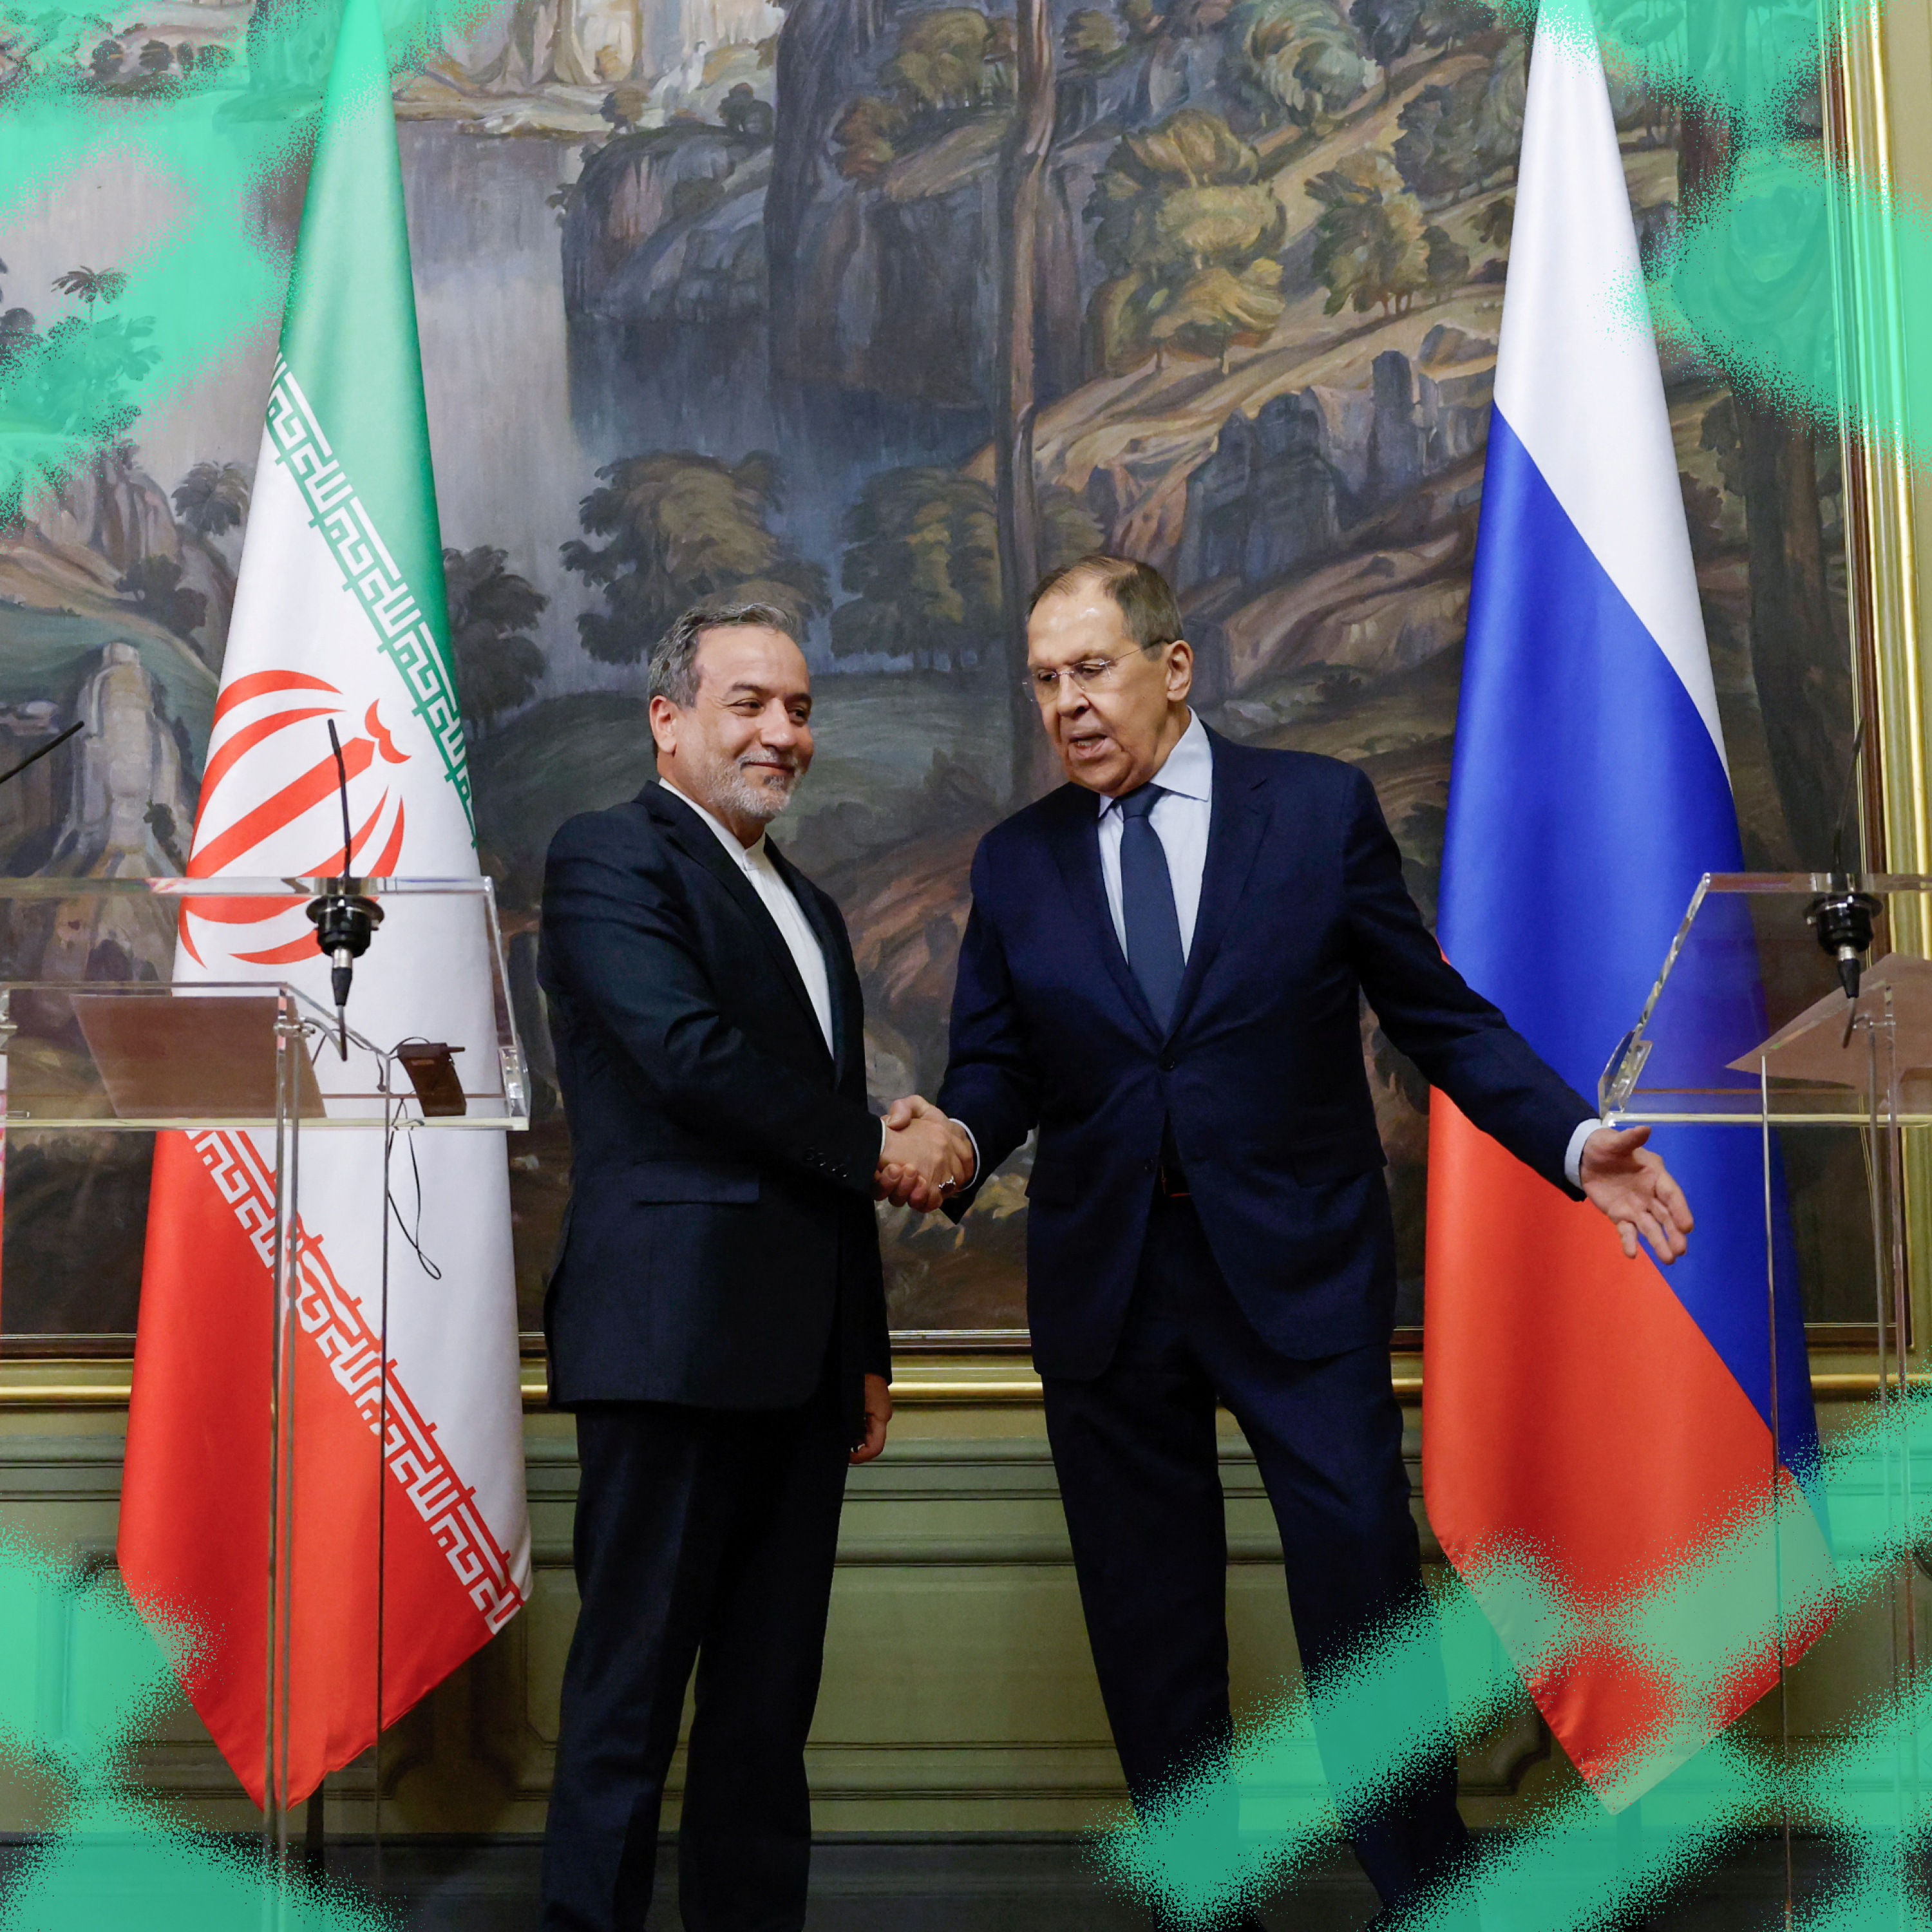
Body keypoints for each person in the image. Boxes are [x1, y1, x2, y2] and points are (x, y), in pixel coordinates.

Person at [880, 556, 1691, 1924]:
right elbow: (999, 1066)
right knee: (1153, 1635)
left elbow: (1436, 1015)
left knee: (1364, 1610)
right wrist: (957, 1141)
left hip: (1296, 1282)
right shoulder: (1017, 862)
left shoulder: (1313, 813)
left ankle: (1424, 1890)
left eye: (1094, 671)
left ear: (1174, 666)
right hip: (1111, 1295)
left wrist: (1568, 1140)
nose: (1069, 706)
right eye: (1046, 681)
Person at [536, 603, 963, 1932]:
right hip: (668, 1349)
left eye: (799, 708)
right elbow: (686, 1059)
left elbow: (817, 1148)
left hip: (798, 1368)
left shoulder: (815, 906)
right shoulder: (608, 857)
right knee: (626, 1707)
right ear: (668, 720)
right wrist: (878, 1145)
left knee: (766, 1722)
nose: (783, 733)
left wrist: (867, 1349)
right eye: (748, 704)